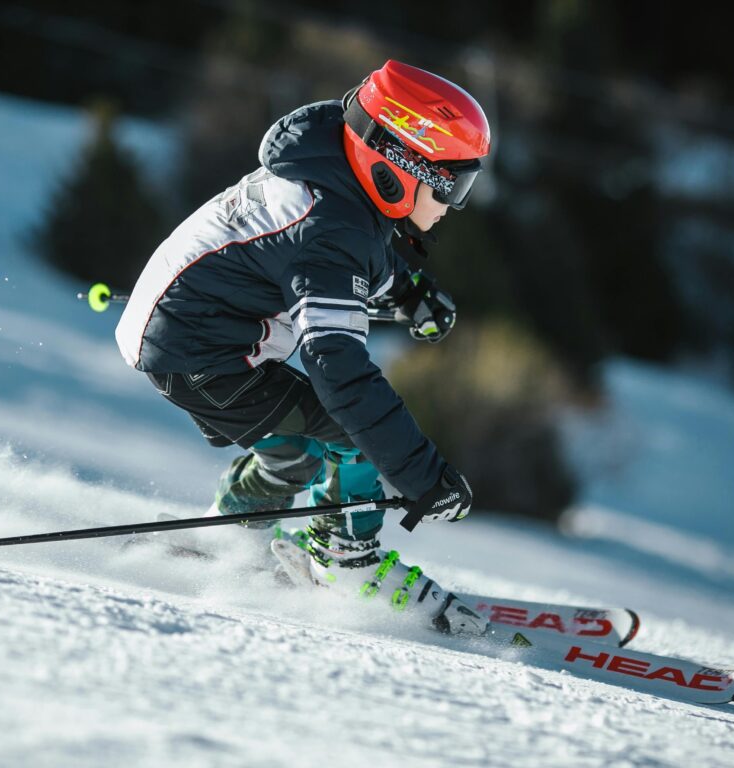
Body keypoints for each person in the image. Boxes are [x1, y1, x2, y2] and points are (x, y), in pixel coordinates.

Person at [116, 60, 490, 634]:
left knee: (298, 450)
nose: (453, 205)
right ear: (399, 166)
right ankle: (345, 559)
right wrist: (423, 477)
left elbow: (354, 253)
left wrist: (410, 292)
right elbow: (337, 370)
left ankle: (229, 534)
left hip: (189, 336)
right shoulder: (329, 231)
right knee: (355, 438)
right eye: (451, 184)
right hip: (203, 355)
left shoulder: (330, 176)